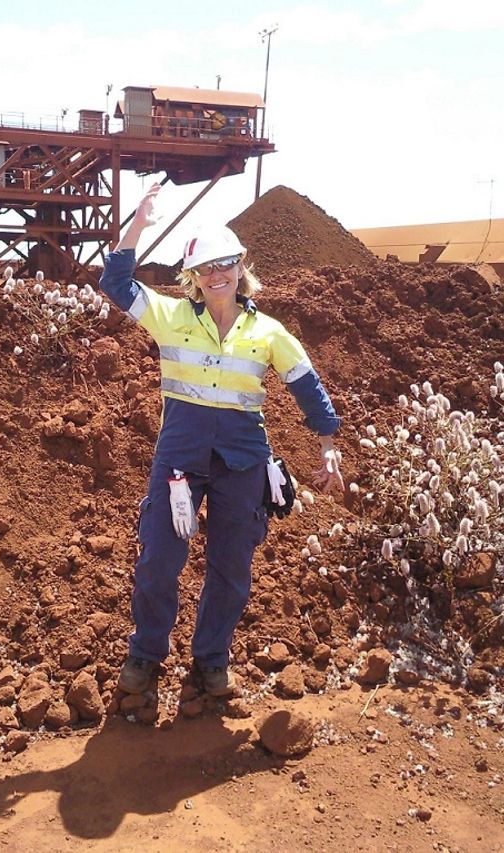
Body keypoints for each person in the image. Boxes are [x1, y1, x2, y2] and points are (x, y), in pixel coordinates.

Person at [99, 183, 344, 698]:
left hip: (243, 461)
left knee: (231, 568)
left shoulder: (269, 331)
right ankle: (146, 655)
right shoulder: (170, 318)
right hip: (179, 461)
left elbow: (306, 383)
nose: (216, 275)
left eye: (224, 264)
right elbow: (116, 281)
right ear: (191, 276)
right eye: (205, 268)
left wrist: (327, 443)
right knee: (159, 559)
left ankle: (211, 661)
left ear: (240, 265)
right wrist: (138, 223)